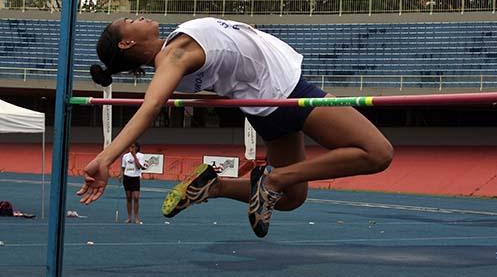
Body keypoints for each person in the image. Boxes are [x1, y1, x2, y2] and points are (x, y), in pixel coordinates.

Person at [77, 17, 393, 238]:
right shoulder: (175, 55)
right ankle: (274, 179)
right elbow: (150, 108)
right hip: (289, 93)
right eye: (131, 20)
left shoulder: (175, 52)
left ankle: (214, 187)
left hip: (265, 107)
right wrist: (105, 159)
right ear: (127, 41)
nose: (140, 16)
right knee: (377, 153)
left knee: (292, 199)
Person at [118, 142, 146, 224]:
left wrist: (134, 156)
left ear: (137, 147)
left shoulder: (141, 156)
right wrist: (121, 175)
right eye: (130, 147)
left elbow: (139, 166)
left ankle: (136, 218)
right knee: (129, 198)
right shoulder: (125, 156)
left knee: (136, 198)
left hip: (135, 178)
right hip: (127, 177)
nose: (131, 148)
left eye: (133, 147)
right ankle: (129, 217)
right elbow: (123, 167)